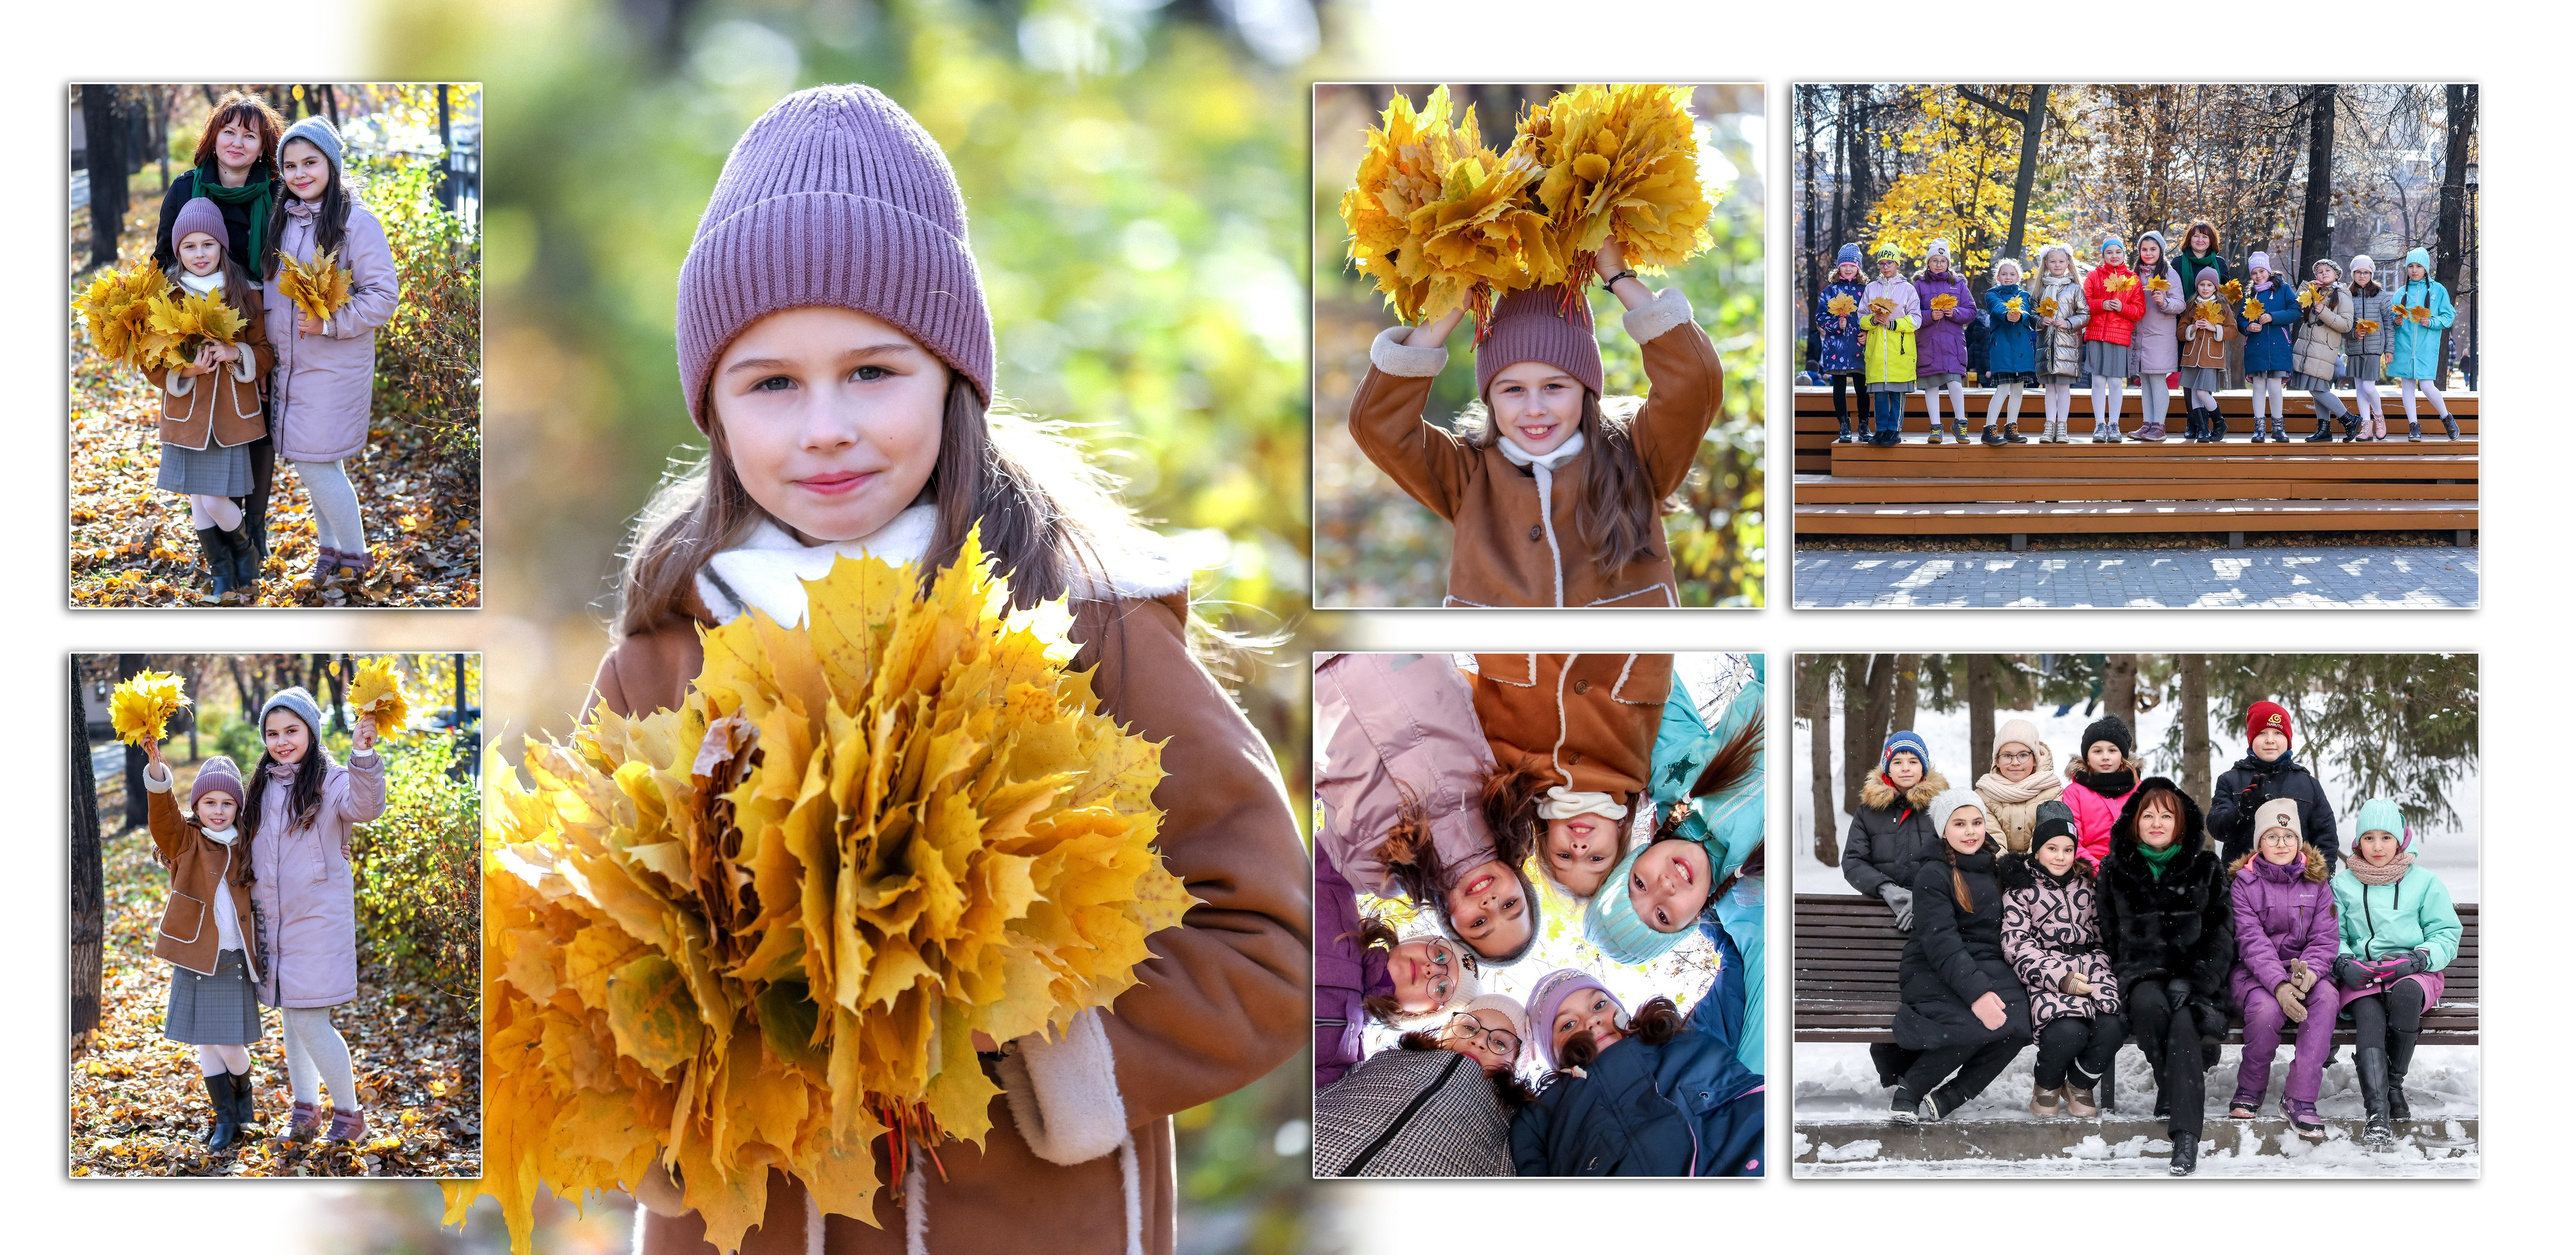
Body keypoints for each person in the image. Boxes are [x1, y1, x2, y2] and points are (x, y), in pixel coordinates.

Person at [599, 86, 1308, 1255]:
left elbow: (1269, 944)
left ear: (951, 378)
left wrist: (1043, 1037)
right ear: (716, 410)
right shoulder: (667, 657)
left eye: (873, 371)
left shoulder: (1088, 632)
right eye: (770, 382)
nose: (823, 425)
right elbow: (581, 969)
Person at [1348, 242, 1721, 608]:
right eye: (1512, 389)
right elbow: (1377, 424)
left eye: (1554, 386)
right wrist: (1447, 310)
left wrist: (1617, 273)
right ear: (1489, 397)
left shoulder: (1637, 452)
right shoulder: (1466, 474)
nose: (1535, 409)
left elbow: (1694, 381)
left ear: (1586, 389)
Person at [1316, 652, 1538, 964]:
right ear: (1521, 883)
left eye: (1479, 924)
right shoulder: (1507, 797)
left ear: (1451, 924)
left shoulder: (1373, 873)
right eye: (1511, 905)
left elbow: (1286, 848)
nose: (1490, 904)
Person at [262, 116, 403, 584]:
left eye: (311, 162)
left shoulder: (355, 223)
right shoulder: (285, 219)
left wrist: (330, 323)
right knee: (318, 462)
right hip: (292, 365)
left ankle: (356, 556)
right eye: (290, 165)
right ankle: (331, 551)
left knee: (313, 462)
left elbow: (383, 295)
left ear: (331, 164)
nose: (300, 173)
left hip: (334, 364)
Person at [243, 687, 384, 1144]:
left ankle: (350, 1114)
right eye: (272, 732)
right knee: (291, 1017)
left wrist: (363, 754)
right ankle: (305, 1110)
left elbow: (366, 807)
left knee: (308, 1020)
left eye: (291, 731)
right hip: (274, 921)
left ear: (310, 731)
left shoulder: (331, 779)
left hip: (318, 920)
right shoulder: (262, 784)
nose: (282, 741)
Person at [150, 90, 285, 560]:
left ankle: (254, 528)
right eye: (228, 131)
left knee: (258, 424)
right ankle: (223, 551)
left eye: (249, 135)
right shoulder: (187, 188)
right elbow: (163, 258)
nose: (237, 142)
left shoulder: (277, 192)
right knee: (200, 432)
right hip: (195, 321)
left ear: (264, 146)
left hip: (258, 318)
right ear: (213, 137)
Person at [1512, 955, 1765, 1176]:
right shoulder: (1542, 1114)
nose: (1592, 1021)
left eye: (1599, 1005)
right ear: (1552, 1053)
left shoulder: (1682, 1035)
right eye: (1568, 1024)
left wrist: (1708, 911)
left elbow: (1736, 971)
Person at [2095, 778, 2232, 1176]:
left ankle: (2185, 1137)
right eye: (2148, 815)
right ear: (2134, 822)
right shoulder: (2115, 869)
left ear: (2181, 823)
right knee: (2150, 1006)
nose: (2156, 822)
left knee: (2187, 1021)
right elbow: (2110, 934)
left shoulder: (2206, 867)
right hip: (2140, 975)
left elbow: (2221, 935)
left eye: (2166, 816)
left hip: (2197, 977)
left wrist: (2192, 979)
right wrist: (2138, 970)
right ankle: (2172, 1086)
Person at [143, 197, 275, 600]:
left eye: (208, 244)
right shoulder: (166, 297)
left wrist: (237, 353)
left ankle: (245, 554)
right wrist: (187, 371)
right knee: (199, 498)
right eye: (189, 246)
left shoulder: (245, 292)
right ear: (178, 250)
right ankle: (222, 571)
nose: (199, 254)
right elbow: (150, 362)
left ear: (221, 245)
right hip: (186, 415)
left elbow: (266, 350)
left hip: (231, 416)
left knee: (216, 499)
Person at [1471, 652, 1669, 904]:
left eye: (1563, 856)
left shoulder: (1510, 771)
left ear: (1546, 839)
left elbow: (1466, 693)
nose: (1579, 849)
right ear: (1619, 838)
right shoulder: (1639, 771)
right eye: (1596, 859)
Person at [141, 748, 264, 1151]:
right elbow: (162, 817)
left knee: (230, 1045)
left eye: (227, 803)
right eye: (209, 802)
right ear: (197, 805)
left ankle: (244, 1093)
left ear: (237, 807)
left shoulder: (248, 841)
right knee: (207, 1043)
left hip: (233, 959)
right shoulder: (185, 840)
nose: (218, 810)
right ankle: (226, 1120)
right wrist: (158, 772)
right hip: (196, 956)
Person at [1886, 788, 2030, 1123]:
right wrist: (1978, 993)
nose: (1970, 831)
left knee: (2021, 1023)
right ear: (1943, 831)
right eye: (1960, 824)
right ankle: (1911, 1088)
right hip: (1932, 968)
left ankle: (1954, 1094)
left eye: (1977, 822)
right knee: (1971, 1024)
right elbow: (1941, 943)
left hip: (1985, 966)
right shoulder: (1933, 874)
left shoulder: (1994, 869)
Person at [2333, 798, 2465, 1149]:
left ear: (2401, 839)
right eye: (2369, 837)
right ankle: (2377, 1112)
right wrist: (2344, 962)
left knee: (2406, 995)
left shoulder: (2424, 882)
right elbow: (2333, 935)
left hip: (2413, 971)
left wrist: (2419, 959)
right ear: (2358, 842)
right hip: (2364, 974)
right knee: (2368, 1015)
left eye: (2386, 837)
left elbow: (2446, 933)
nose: (2377, 847)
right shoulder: (2343, 884)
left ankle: (2392, 1085)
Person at [1313, 843, 1478, 1088]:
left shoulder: (1343, 1065)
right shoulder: (1336, 892)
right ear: (1416, 943)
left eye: (1442, 988)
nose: (1432, 969)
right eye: (1440, 956)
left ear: (1421, 1013)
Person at [2225, 798, 2340, 1140]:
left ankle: (2300, 1098)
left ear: (2298, 840)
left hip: (2306, 974)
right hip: (2256, 974)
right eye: (2271, 836)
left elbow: (2326, 937)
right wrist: (2279, 984)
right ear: (2259, 842)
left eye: (2288, 836)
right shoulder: (2244, 884)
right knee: (2265, 1010)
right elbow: (2250, 941)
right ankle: (2250, 1087)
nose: (2281, 844)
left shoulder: (2317, 882)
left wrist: (2311, 973)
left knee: (2328, 999)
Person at [1312, 998, 1529, 1177]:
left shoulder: (1510, 1116)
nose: (1479, 1041)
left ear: (1515, 1062)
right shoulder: (1388, 1059)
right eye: (1470, 1027)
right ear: (1447, 1030)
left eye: (1499, 1042)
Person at [1998, 801, 2121, 1118]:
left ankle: (2080, 1082)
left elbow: (2100, 935)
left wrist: (2099, 969)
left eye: (2068, 849)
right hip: (2049, 977)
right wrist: (2060, 977)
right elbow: (2016, 944)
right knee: (2068, 1032)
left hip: (2092, 973)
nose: (2060, 856)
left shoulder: (2086, 885)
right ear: (2036, 850)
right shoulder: (2021, 889)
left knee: (2113, 1024)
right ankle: (2047, 1084)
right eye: (2052, 848)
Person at [2205, 700, 2340, 865]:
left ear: (2288, 739)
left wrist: (2320, 880)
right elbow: (2218, 830)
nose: (2270, 740)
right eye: (2261, 733)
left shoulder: (2307, 783)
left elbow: (2326, 837)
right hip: (2243, 884)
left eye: (2278, 733)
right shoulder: (2230, 780)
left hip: (2296, 885)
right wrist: (2241, 811)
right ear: (2251, 738)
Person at [2385, 247, 2461, 440]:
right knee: (2407, 386)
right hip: (2404, 347)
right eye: (2410, 266)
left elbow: (2449, 315)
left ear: (2426, 268)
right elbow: (2392, 318)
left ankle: (2446, 417)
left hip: (2426, 348)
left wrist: (2432, 322)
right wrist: (2397, 321)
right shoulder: (2401, 293)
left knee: (2427, 386)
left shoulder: (2438, 290)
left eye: (2418, 266)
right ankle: (2413, 426)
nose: (2414, 270)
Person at [2078, 235, 2146, 443]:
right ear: (2103, 256)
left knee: (2116, 382)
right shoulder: (2093, 276)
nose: (2114, 256)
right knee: (2098, 381)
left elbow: (2139, 310)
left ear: (2124, 254)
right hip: (2096, 334)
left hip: (2119, 336)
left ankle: (2114, 424)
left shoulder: (2132, 279)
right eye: (2109, 252)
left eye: (2118, 252)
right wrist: (2102, 305)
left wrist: (2122, 308)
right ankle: (2099, 424)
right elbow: (2083, 303)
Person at [1912, 239, 1977, 443]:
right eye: (1934, 260)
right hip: (1929, 344)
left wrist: (1955, 312)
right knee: (1931, 386)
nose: (1939, 264)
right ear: (1928, 262)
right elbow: (1911, 314)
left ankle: (1960, 423)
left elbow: (1971, 310)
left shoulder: (1958, 284)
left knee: (1955, 383)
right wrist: (1930, 315)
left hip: (1952, 345)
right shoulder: (1919, 285)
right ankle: (1935, 427)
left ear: (1948, 263)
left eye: (1942, 260)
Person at [2125, 230, 2187, 442]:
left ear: (2160, 250)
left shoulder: (2168, 273)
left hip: (2160, 335)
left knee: (2158, 379)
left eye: (2153, 249)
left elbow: (2180, 304)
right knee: (2145, 380)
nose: (2148, 253)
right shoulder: (2134, 275)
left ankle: (2159, 425)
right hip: (2138, 335)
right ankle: (2147, 423)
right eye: (2144, 249)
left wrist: (2164, 301)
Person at [1858, 244, 1919, 446]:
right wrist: (1873, 321)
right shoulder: (1871, 288)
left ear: (1897, 263)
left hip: (1899, 351)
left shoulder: (1907, 289)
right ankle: (1881, 430)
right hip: (1876, 351)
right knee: (1880, 394)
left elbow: (1916, 319)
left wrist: (1893, 323)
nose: (1885, 266)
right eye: (1882, 263)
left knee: (1896, 392)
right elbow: (1861, 317)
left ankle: (1894, 430)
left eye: (1889, 262)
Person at [1975, 717, 2064, 855]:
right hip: (1996, 867)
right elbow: (1992, 839)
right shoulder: (1984, 794)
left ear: (2035, 759)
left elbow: (2045, 836)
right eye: (2007, 756)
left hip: (2040, 868)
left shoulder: (2051, 791)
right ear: (1997, 761)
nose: (2015, 762)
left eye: (2023, 755)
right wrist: (2007, 868)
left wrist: (2030, 868)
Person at [2237, 252, 2301, 443]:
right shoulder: (2250, 294)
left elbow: (2295, 310)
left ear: (2268, 270)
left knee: (2274, 387)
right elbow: (2240, 319)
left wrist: (2274, 316)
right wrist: (2248, 327)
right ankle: (2259, 428)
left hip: (2278, 346)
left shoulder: (2283, 289)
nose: (2258, 276)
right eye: (2254, 273)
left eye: (2261, 271)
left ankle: (2278, 427)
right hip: (2256, 347)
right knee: (2258, 386)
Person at [2028, 243, 2089, 443]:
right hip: (2046, 346)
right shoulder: (2039, 289)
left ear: (2068, 263)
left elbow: (2085, 314)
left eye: (2061, 261)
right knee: (2049, 388)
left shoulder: (2074, 289)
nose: (2057, 264)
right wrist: (2039, 320)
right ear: (2045, 263)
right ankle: (2049, 425)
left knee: (2063, 387)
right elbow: (2032, 314)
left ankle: (2062, 426)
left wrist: (2069, 322)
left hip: (2067, 347)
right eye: (2052, 261)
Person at [2290, 258, 2355, 442]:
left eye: (2327, 270)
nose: (2323, 273)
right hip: (2309, 347)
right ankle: (2324, 429)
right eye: (2319, 271)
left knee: (2318, 389)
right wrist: (2305, 287)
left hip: (2324, 350)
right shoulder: (2314, 292)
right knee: (2316, 388)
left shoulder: (2342, 295)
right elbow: (2296, 305)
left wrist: (2323, 311)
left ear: (2336, 274)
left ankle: (2349, 420)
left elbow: (2346, 325)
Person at [2058, 714, 2136, 866]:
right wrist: (2098, 870)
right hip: (2089, 869)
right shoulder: (2075, 793)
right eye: (2097, 751)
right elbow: (2072, 842)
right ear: (2087, 757)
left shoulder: (2139, 789)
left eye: (2112, 750)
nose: (2105, 757)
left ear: (2122, 755)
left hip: (2134, 868)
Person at [1814, 244, 1873, 443]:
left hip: (1858, 345)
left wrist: (1866, 332)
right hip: (1836, 346)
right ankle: (1844, 425)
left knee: (1861, 386)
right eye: (1844, 265)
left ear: (1858, 268)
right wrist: (1836, 324)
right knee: (1838, 385)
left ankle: (1864, 424)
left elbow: (1872, 315)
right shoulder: (1830, 290)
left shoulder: (1865, 290)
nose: (1848, 269)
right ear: (1838, 267)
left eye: (1852, 265)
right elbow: (1820, 317)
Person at [1979, 257, 2037, 445]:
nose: (2008, 277)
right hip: (2002, 348)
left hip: (2022, 349)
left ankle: (2011, 427)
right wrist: (2007, 314)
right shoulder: (1991, 294)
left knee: (2018, 390)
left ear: (2018, 276)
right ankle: (1989, 428)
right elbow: (1996, 308)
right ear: (1998, 276)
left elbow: (2027, 312)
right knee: (2002, 389)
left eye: (2012, 274)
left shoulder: (2025, 296)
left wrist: (2020, 315)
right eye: (2004, 274)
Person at [2179, 266, 2232, 442]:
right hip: (2192, 356)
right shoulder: (2191, 305)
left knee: (2202, 392)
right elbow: (2179, 331)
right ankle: (2202, 428)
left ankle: (2219, 422)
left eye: (2209, 284)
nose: (2205, 288)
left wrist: (2214, 328)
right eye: (2202, 284)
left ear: (2215, 287)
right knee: (2193, 392)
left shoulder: (2222, 306)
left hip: (2211, 357)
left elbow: (2233, 331)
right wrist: (2192, 328)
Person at [2341, 256, 2391, 441]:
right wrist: (2353, 334)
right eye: (2358, 272)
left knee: (2369, 387)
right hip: (2354, 348)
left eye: (2366, 272)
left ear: (2371, 273)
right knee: (2360, 388)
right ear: (2353, 273)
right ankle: (2365, 426)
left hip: (2373, 348)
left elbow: (2389, 324)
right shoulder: (2346, 295)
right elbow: (2342, 324)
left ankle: (2379, 418)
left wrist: (2389, 349)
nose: (2362, 275)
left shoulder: (2380, 295)